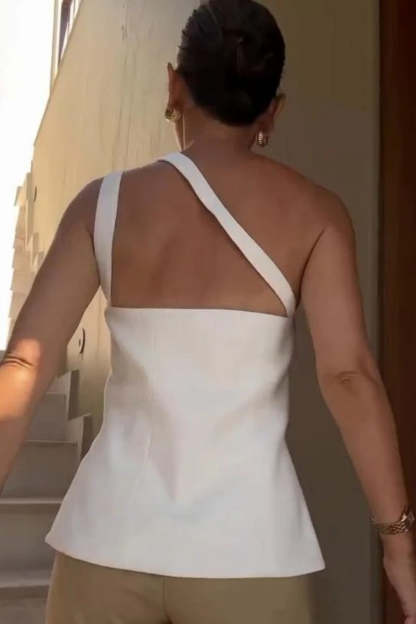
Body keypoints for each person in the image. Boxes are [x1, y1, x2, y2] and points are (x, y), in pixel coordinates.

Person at [0, 0, 415, 622]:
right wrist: (398, 541)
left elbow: (24, 366)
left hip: (106, 544)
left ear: (174, 85)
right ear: (272, 110)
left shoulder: (102, 205)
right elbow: (349, 376)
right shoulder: (317, 215)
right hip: (250, 554)